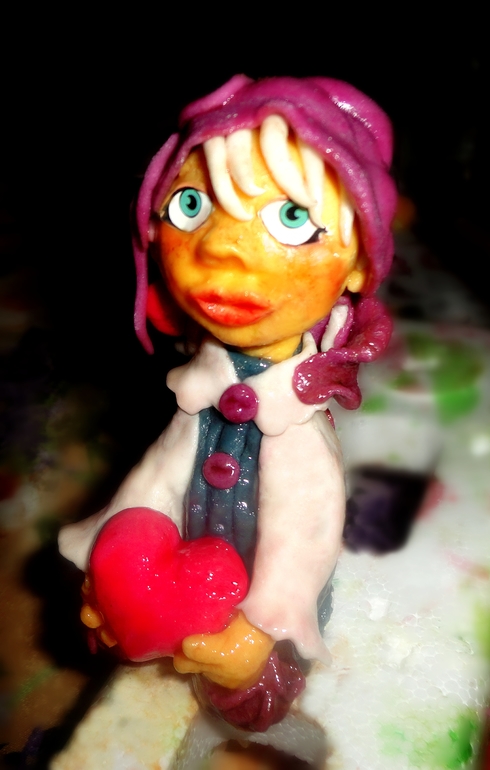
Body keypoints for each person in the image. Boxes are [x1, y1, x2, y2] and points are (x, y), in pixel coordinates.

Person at [59, 75, 397, 731]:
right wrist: (114, 568)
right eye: (190, 206)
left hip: (261, 613)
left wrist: (261, 633)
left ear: (359, 263)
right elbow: (156, 481)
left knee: (251, 701)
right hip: (186, 578)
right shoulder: (198, 391)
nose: (219, 248)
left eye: (291, 219)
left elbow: (304, 536)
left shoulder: (296, 428)